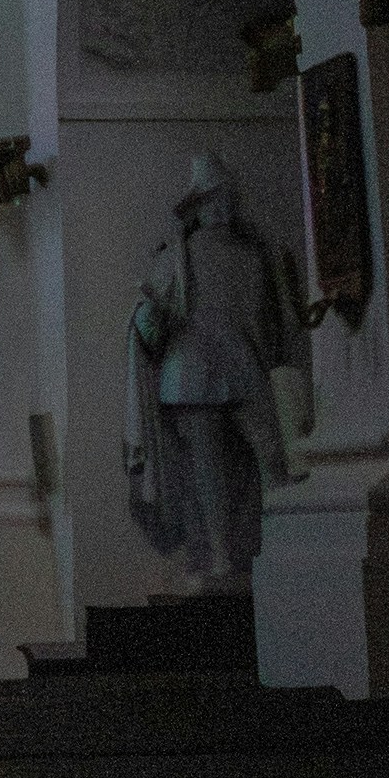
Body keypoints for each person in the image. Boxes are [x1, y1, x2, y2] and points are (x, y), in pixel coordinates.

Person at [122, 151, 296, 586]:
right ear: (200, 205)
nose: (226, 205)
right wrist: (149, 317)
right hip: (192, 373)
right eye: (217, 197)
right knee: (209, 474)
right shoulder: (177, 257)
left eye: (227, 196)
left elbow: (265, 319)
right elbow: (149, 322)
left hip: (236, 365)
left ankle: (286, 539)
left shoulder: (251, 255)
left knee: (272, 454)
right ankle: (220, 557)